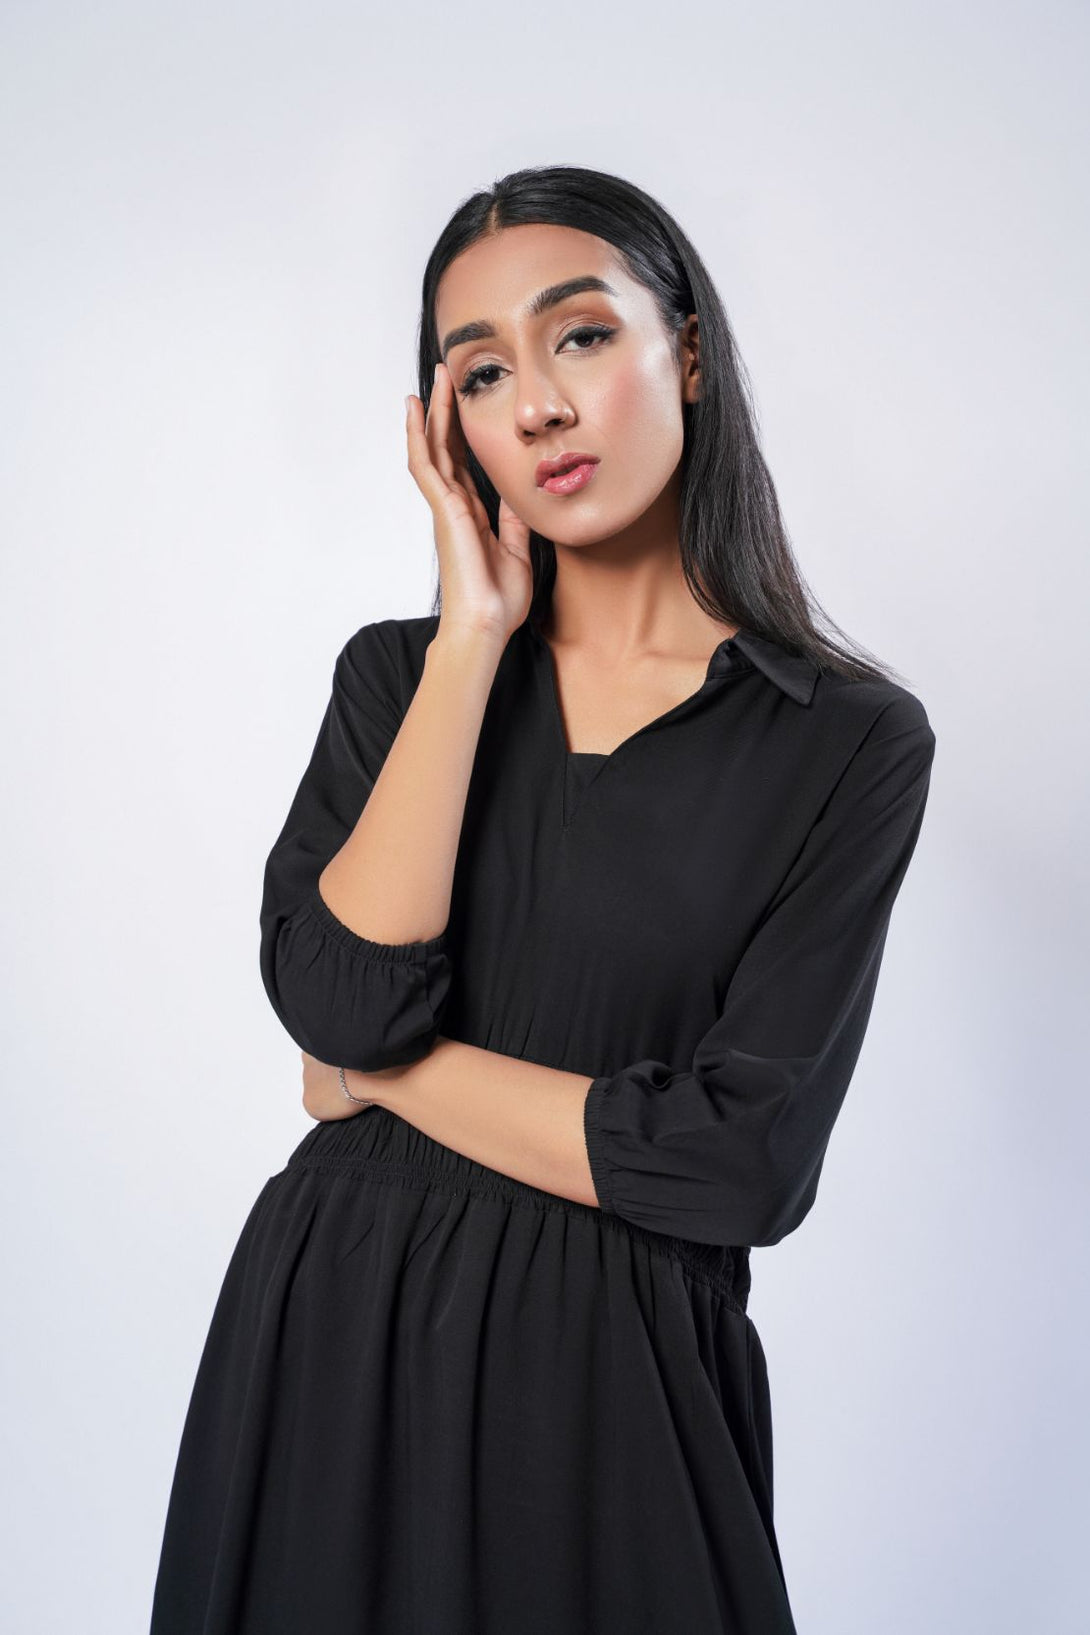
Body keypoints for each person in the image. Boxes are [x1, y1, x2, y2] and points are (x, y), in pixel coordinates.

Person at [149, 164, 936, 1635]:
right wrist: (471, 639)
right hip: (336, 1340)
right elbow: (343, 996)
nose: (538, 408)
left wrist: (386, 1075)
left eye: (578, 335)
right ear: (447, 429)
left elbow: (742, 1167)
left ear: (684, 353)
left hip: (616, 1382)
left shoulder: (844, 740)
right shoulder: (397, 681)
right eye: (482, 372)